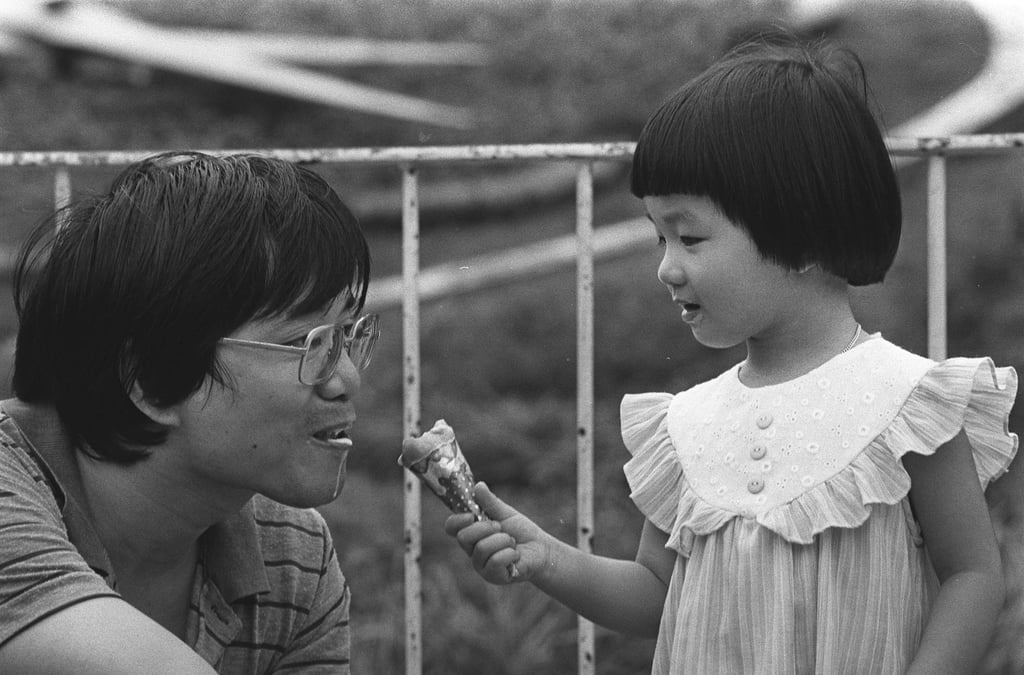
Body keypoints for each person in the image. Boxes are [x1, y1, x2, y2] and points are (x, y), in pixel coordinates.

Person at [445, 39, 1019, 674]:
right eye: (659, 238)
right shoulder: (688, 426)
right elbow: (657, 594)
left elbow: (971, 574)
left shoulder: (908, 405)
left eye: (690, 237)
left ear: (804, 234)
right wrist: (547, 559)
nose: (666, 267)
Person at [0, 151, 380, 674]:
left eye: (347, 336)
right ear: (151, 381)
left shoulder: (294, 558)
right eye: (305, 343)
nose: (347, 379)